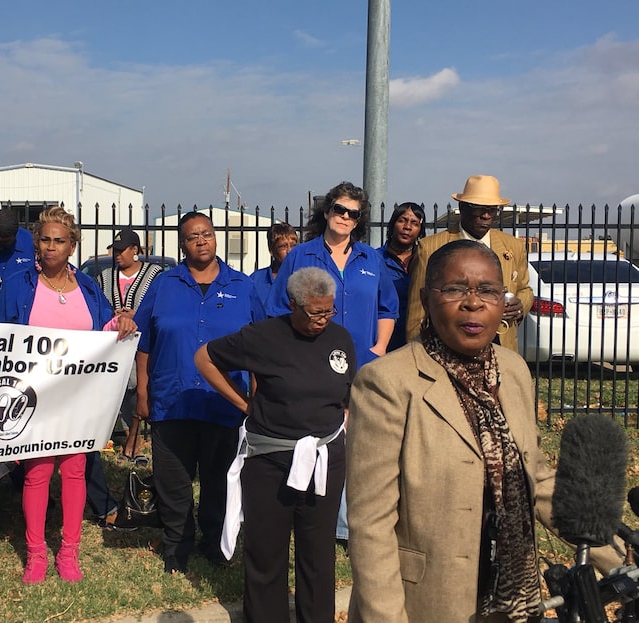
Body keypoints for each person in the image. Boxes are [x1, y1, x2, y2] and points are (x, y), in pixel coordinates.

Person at [345, 239, 621, 623]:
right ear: (426, 299)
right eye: (455, 289)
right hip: (425, 602)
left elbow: (536, 480)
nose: (473, 303)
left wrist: (619, 556)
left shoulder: (512, 371)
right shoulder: (387, 383)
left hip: (511, 599)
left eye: (488, 290)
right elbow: (371, 524)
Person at [195, 266, 355, 623]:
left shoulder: (340, 339)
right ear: (293, 304)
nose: (323, 319)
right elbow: (204, 358)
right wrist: (242, 404)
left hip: (324, 459)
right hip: (270, 460)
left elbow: (345, 393)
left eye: (328, 310)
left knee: (318, 555)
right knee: (267, 554)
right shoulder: (263, 336)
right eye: (315, 312)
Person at [0, 206, 137, 584]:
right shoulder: (18, 283)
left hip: (78, 398)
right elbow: (1, 337)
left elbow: (104, 330)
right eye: (45, 240)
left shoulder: (89, 288)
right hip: (33, 397)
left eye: (60, 240)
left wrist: (120, 321)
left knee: (75, 471)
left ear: (72, 246)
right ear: (36, 244)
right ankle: (36, 554)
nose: (52, 247)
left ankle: (69, 552)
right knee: (37, 473)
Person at [264, 181, 398, 545]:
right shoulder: (300, 256)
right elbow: (278, 307)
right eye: (339, 209)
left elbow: (388, 307)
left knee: (359, 444)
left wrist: (381, 347)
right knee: (318, 440)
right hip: (313, 365)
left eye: (353, 213)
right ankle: (313, 516)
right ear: (327, 212)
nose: (345, 217)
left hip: (364, 365)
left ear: (359, 220)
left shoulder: (371, 259)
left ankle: (348, 524)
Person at [134, 211, 265, 574]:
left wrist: (256, 399)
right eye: (192, 237)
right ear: (183, 244)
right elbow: (145, 341)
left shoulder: (242, 286)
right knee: (172, 480)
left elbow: (258, 347)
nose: (201, 241)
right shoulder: (164, 285)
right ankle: (176, 545)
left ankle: (214, 542)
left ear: (215, 238)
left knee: (218, 478)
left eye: (206, 234)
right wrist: (142, 392)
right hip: (171, 399)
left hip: (224, 402)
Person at [405, 175, 532, 353]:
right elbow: (417, 310)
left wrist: (521, 305)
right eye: (479, 209)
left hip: (500, 348)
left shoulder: (514, 247)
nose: (486, 216)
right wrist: (415, 354)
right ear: (462, 207)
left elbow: (525, 289)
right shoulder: (430, 247)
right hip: (447, 349)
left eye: (492, 209)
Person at [96, 226, 164, 462]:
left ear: (135, 250)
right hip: (114, 342)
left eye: (122, 250)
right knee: (119, 388)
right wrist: (112, 314)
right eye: (115, 250)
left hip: (143, 342)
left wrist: (138, 314)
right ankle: (128, 437)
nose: (117, 255)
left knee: (138, 386)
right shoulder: (105, 276)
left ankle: (135, 439)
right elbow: (98, 306)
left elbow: (161, 304)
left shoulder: (154, 274)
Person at [378, 202, 426, 351]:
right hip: (385, 338)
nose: (408, 227)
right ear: (393, 225)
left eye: (414, 223)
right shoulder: (375, 259)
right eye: (402, 220)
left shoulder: (426, 260)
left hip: (419, 339)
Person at [249, 222, 298, 309]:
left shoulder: (305, 278)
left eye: (293, 246)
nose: (289, 251)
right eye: (283, 246)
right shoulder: (256, 280)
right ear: (271, 250)